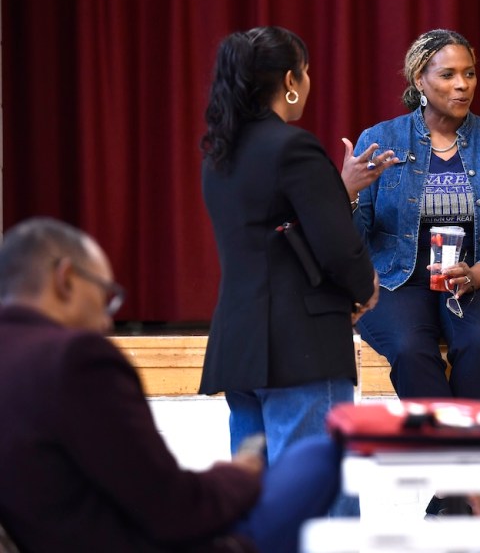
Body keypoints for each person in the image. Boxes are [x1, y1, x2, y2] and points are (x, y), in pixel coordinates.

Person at [0, 217, 343, 553]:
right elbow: (172, 509)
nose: (106, 321)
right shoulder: (76, 359)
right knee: (320, 456)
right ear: (67, 280)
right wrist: (238, 476)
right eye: (106, 296)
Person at [198, 26, 379, 517]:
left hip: (240, 343)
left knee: (261, 508)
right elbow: (338, 246)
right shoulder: (293, 147)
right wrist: (366, 288)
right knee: (320, 511)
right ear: (290, 80)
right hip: (302, 344)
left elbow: (276, 233)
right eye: (306, 70)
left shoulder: (219, 155)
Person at [344, 29, 480, 403]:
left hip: (475, 279)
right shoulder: (381, 139)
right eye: (447, 75)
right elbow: (356, 239)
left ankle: (460, 446)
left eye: (469, 74)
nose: (462, 85)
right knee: (408, 348)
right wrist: (349, 192)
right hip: (396, 281)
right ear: (420, 79)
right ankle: (449, 447)